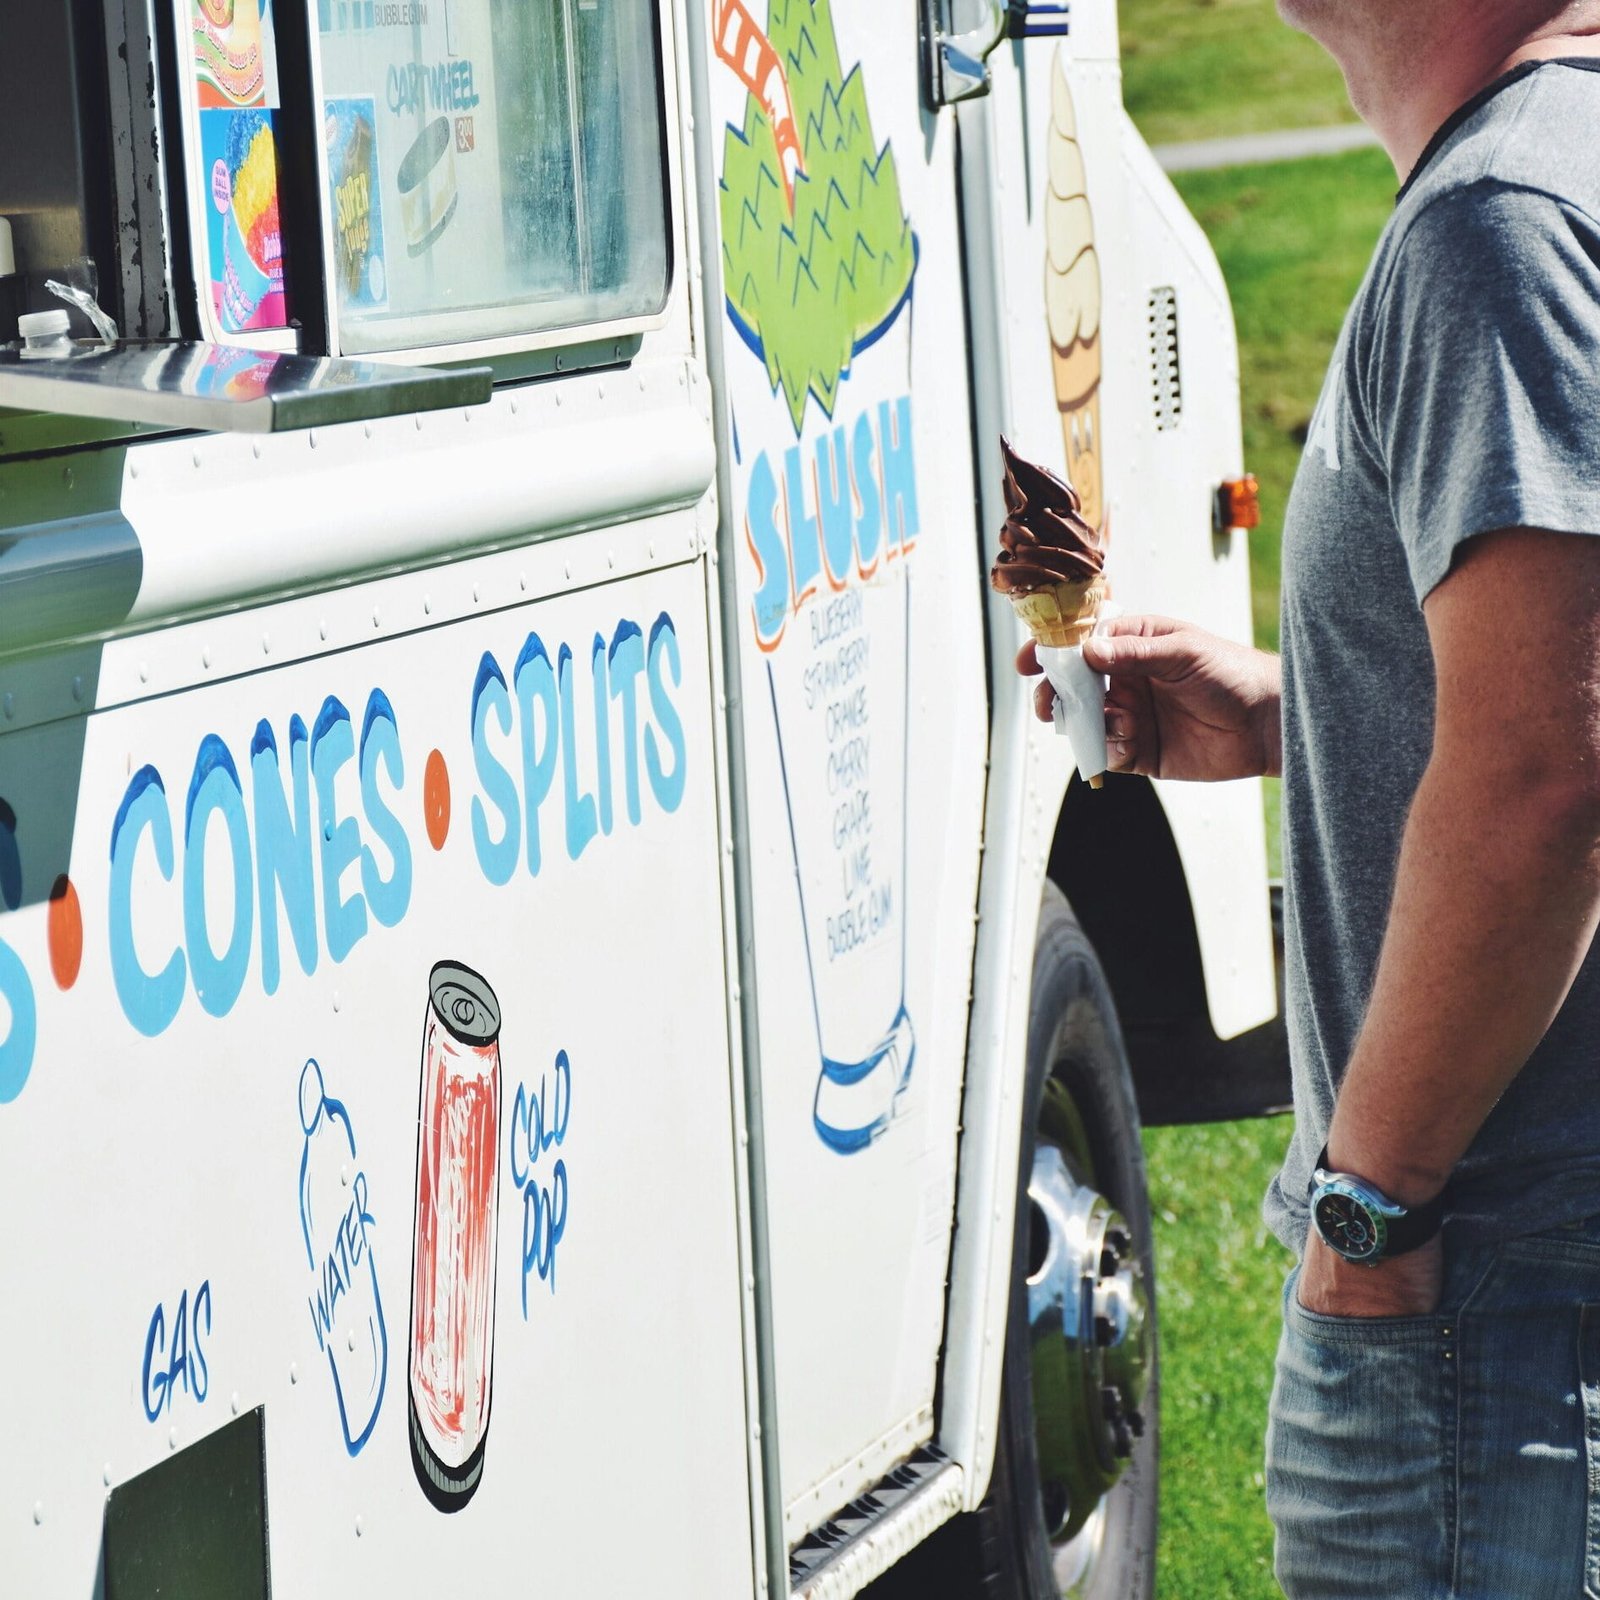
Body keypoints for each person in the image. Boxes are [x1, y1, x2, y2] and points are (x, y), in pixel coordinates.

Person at [1019, 3, 1600, 1594]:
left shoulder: (1505, 224)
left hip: (1483, 1303)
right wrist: (1300, 710)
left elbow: (1550, 780)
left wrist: (1371, 1218)